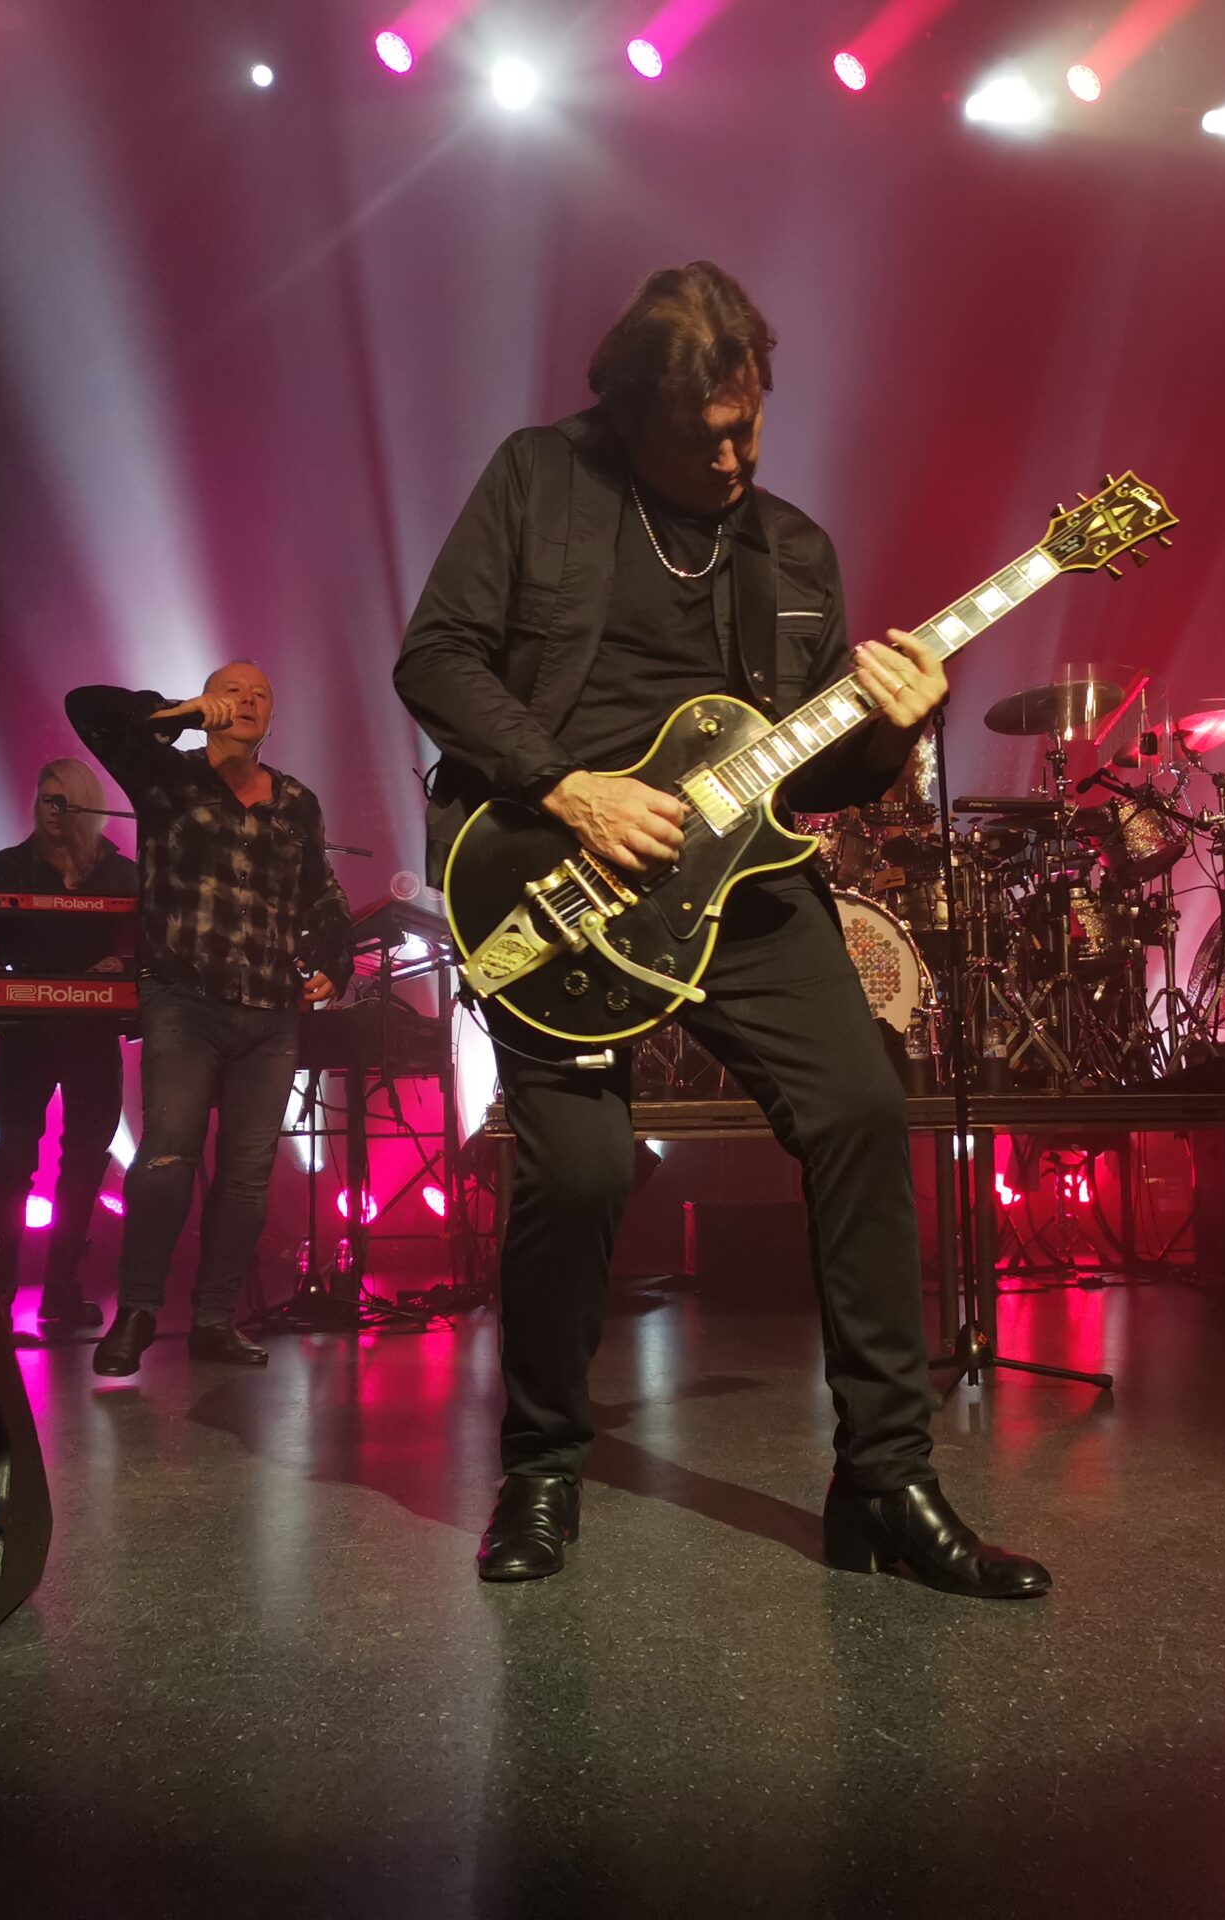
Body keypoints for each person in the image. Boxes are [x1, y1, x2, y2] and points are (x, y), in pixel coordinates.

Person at [394, 260, 1048, 1597]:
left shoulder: (791, 550)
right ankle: (543, 1464)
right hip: (556, 872)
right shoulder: (538, 479)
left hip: (742, 889)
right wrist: (566, 787)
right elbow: (436, 659)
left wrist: (896, 727)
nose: (736, 457)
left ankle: (886, 1480)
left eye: (748, 426)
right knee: (581, 1175)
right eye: (703, 438)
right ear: (627, 414)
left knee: (862, 1112)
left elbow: (817, 777)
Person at [66, 662, 351, 1378]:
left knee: (248, 1177)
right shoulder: (166, 775)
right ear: (211, 700)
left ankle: (215, 1319)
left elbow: (321, 893)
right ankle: (137, 1311)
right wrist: (183, 712)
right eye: (235, 690)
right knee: (167, 1157)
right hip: (183, 998)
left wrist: (335, 960)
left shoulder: (296, 802)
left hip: (270, 1011)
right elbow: (88, 707)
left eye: (262, 694)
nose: (249, 701)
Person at [0, 757, 139, 1333]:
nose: (51, 811)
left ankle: (61, 1288)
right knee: (14, 1156)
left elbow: (145, 943)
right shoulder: (8, 867)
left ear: (87, 806)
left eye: (63, 801)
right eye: (46, 799)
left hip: (92, 1030)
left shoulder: (121, 875)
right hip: (28, 1027)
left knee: (86, 1159)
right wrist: (0, 977)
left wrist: (120, 962)